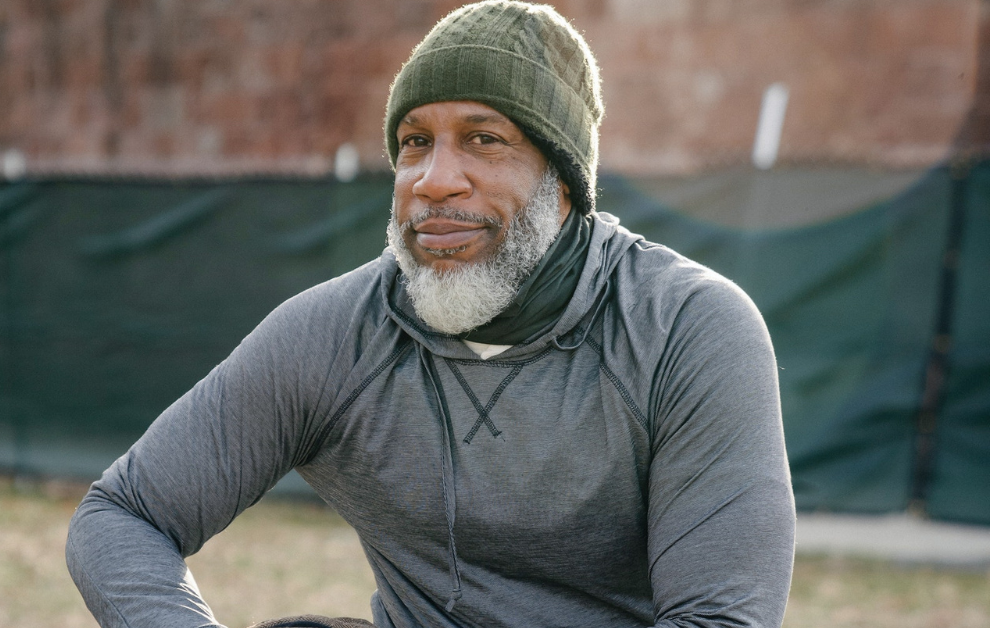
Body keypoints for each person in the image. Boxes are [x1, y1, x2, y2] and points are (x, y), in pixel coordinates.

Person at [66, 2, 796, 627]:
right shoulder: (334, 335)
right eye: (415, 142)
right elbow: (123, 514)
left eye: (485, 140)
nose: (433, 180)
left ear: (564, 184)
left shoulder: (688, 330)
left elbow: (719, 617)